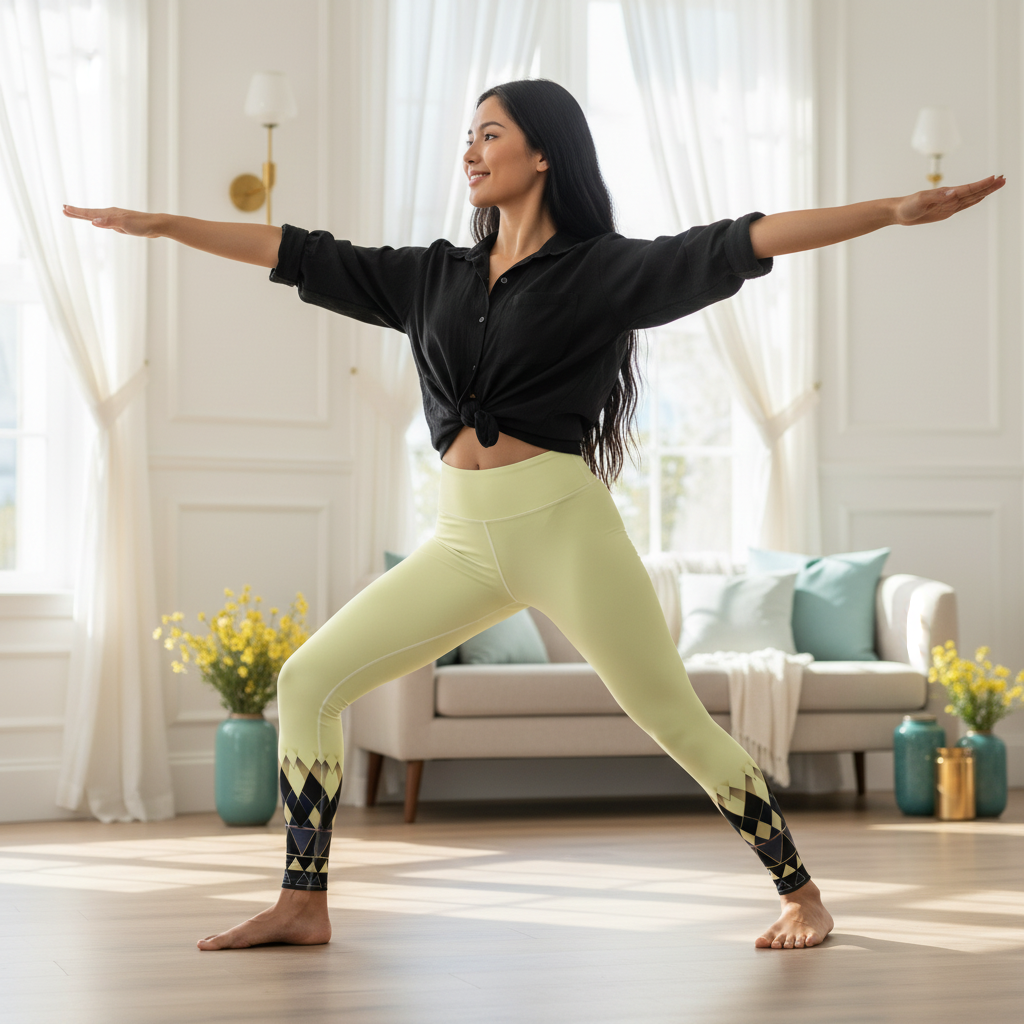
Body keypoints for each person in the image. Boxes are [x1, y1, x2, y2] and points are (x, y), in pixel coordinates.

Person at [65, 78, 1003, 953]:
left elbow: (739, 241)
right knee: (310, 681)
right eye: (466, 138)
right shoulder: (429, 276)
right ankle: (302, 902)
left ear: (542, 153)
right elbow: (297, 252)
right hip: (464, 539)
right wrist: (159, 225)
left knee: (674, 720)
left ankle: (802, 893)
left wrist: (887, 212)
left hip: (563, 532)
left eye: (490, 134)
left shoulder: (601, 272)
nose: (470, 152)